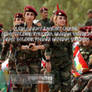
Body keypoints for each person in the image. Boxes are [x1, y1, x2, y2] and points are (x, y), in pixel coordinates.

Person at [47, 5, 73, 92]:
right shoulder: (50, 31)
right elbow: (47, 47)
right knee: (54, 86)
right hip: (54, 63)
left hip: (66, 63)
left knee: (66, 86)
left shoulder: (69, 32)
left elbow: (70, 48)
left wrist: (71, 61)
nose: (62, 20)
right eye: (60, 18)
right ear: (56, 19)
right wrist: (47, 61)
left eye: (64, 18)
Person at [71, 26, 92, 92]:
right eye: (83, 39)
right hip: (80, 72)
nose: (85, 41)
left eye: (87, 39)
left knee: (84, 79)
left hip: (88, 73)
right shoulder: (78, 49)